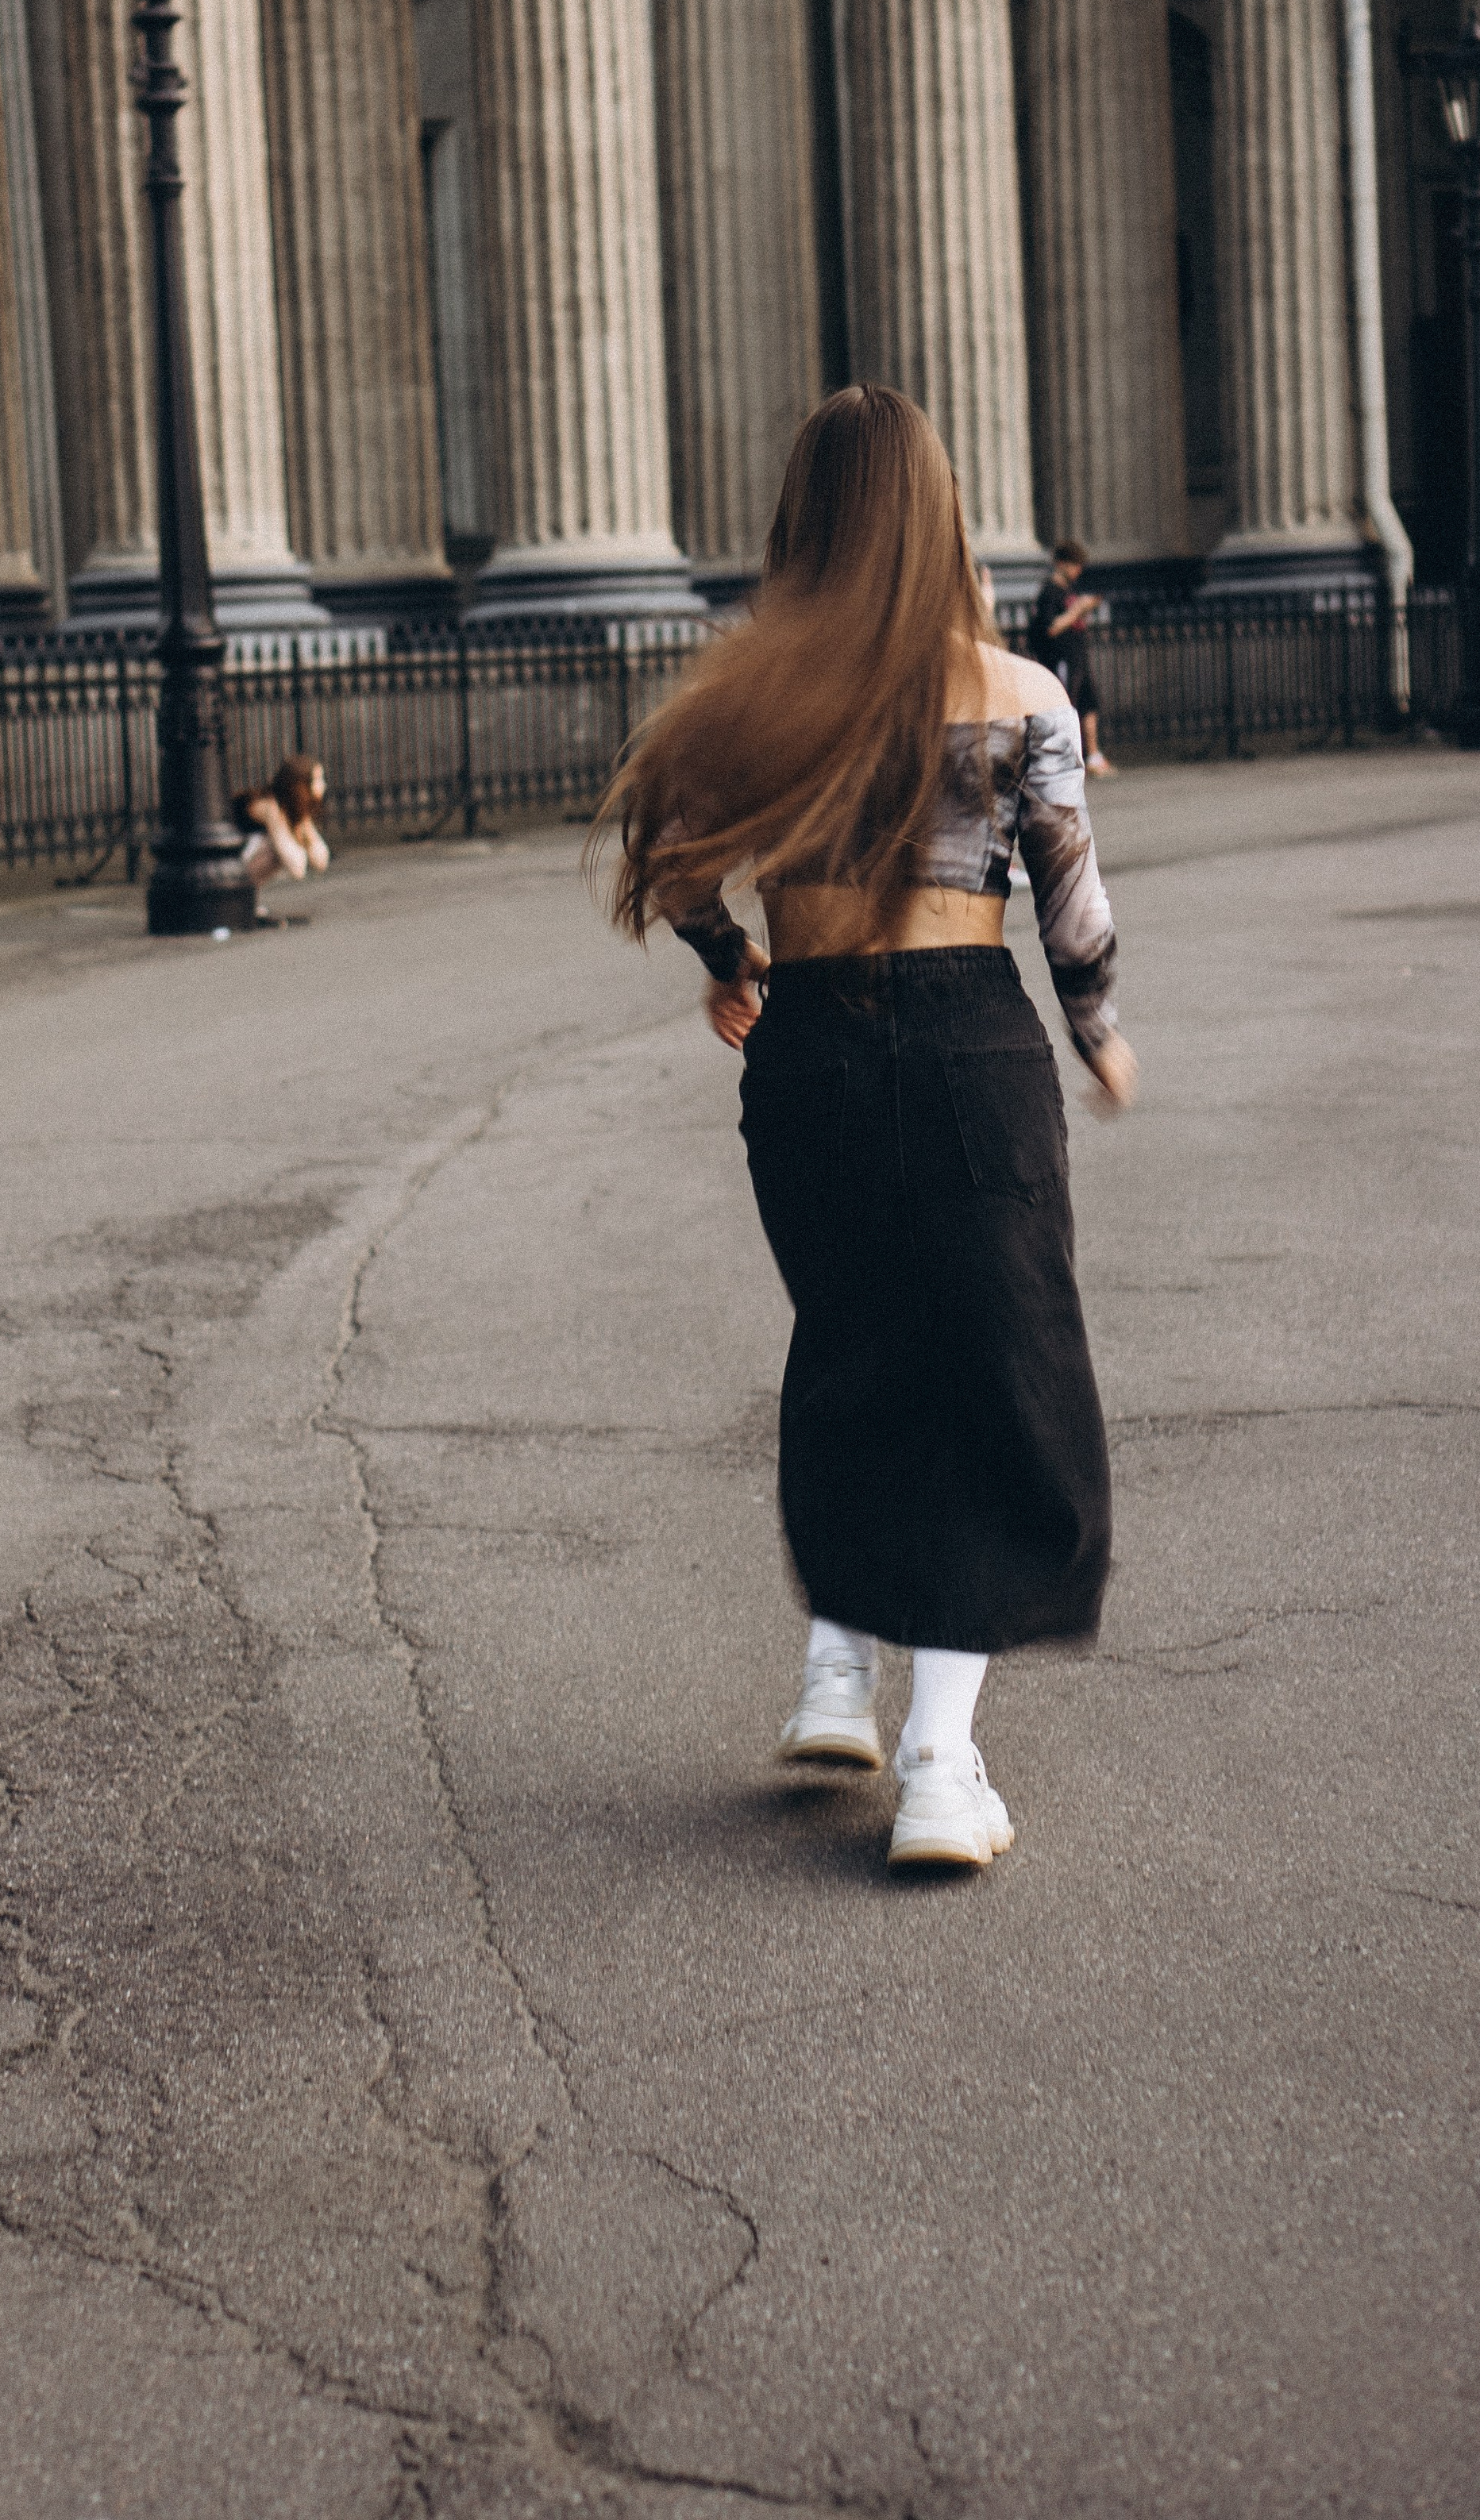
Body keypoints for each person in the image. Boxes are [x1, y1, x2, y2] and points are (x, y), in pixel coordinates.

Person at [595, 386, 1135, 1877]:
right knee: (993, 1379)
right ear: (938, 517)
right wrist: (1098, 1035)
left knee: (855, 1346)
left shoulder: (756, 701)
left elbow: (668, 848)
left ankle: (837, 1676)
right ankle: (940, 1767)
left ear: (805, 526)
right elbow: (1072, 903)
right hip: (970, 1042)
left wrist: (731, 966)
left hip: (812, 1048)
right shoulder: (1019, 693)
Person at [1027, 539, 1112, 774]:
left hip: (1077, 657)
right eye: (1074, 564)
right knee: (1066, 707)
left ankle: (1093, 755)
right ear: (1061, 564)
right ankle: (1065, 757)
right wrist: (1078, 610)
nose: (1078, 570)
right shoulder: (1050, 592)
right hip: (1061, 658)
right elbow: (1051, 627)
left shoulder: (1067, 590)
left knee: (1089, 702)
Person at [234, 753, 330, 909]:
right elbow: (297, 868)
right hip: (236, 860)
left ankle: (245, 899)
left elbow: (321, 861)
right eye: (318, 780)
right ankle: (240, 897)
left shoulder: (291, 808)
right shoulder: (269, 806)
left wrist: (303, 823)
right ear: (301, 785)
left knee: (279, 850)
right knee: (274, 850)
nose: (323, 785)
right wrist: (300, 829)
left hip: (243, 857)